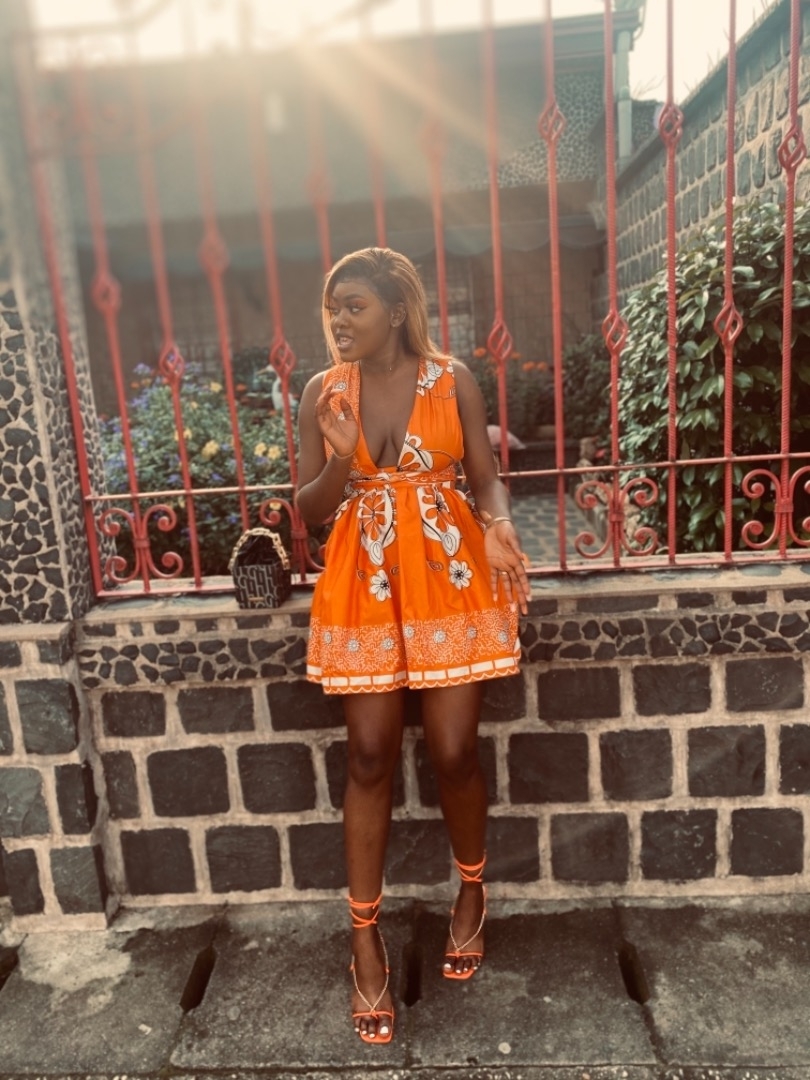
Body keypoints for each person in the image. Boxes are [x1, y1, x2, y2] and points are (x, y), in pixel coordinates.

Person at [295, 247, 530, 1045]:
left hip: (449, 573)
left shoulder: (451, 379)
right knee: (369, 755)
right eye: (333, 307)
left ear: (396, 311)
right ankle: (364, 938)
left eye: (354, 306)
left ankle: (473, 890)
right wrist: (339, 454)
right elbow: (312, 511)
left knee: (454, 749)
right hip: (363, 582)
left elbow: (485, 476)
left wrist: (499, 525)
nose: (339, 320)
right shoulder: (322, 392)